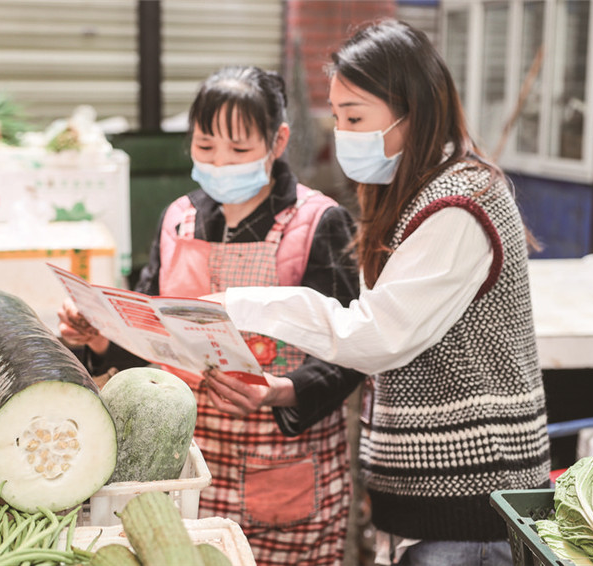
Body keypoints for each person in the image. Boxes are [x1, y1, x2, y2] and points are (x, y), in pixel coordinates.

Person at [201, 20, 551, 566]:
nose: (342, 132)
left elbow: (376, 334)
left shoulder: (460, 205)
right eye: (338, 116)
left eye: (356, 117)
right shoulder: (407, 194)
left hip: (469, 506)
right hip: (422, 501)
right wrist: (283, 391)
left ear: (414, 110)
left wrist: (241, 303)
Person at [58, 65, 364, 566]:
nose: (220, 162)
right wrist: (97, 336)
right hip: (187, 467)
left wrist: (278, 391)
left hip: (283, 470)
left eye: (239, 150)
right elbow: (146, 331)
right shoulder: (177, 219)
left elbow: (350, 353)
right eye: (205, 146)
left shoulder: (318, 222)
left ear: (278, 141)